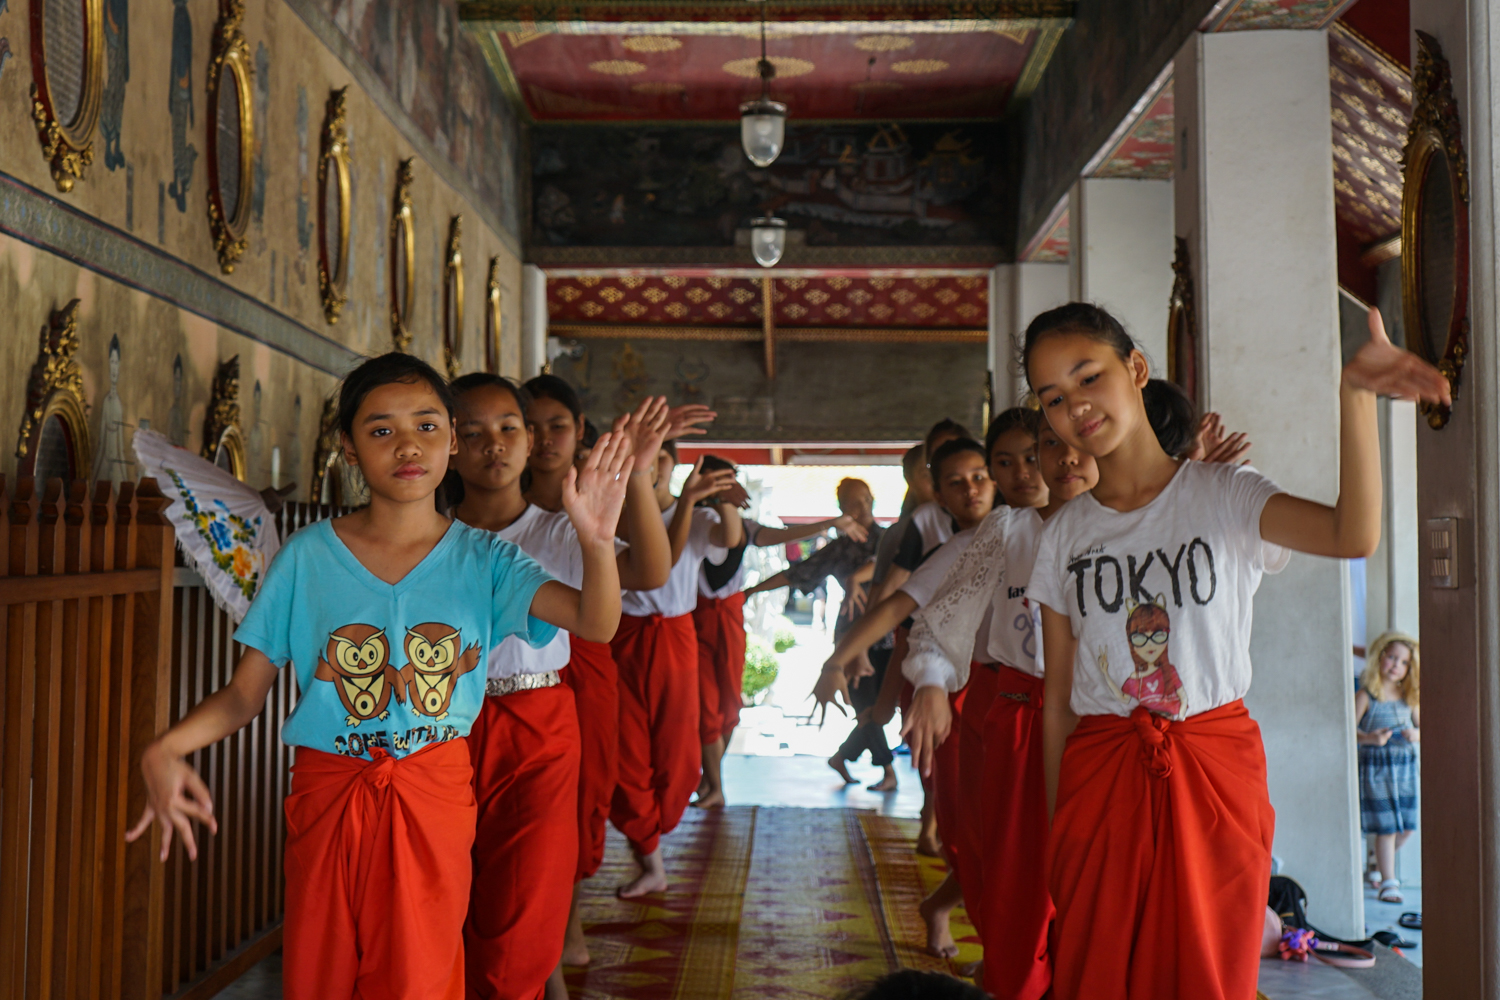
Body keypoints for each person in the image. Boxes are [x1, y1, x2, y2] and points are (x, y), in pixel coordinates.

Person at [127, 353, 628, 1000]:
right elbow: (244, 694)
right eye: (381, 430)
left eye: (425, 426)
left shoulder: (487, 560)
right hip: (328, 792)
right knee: (322, 974)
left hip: (434, 792)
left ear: (451, 437)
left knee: (418, 975)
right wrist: (168, 747)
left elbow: (596, 624)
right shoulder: (308, 557)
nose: (408, 446)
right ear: (349, 449)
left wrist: (595, 540)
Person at [1022, 302, 1446, 1000]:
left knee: (1208, 973)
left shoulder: (1224, 495)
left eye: (1088, 376)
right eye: (1053, 398)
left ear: (1135, 368)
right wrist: (1056, 836)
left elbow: (1351, 534)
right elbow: (1059, 705)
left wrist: (1356, 395)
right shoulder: (1064, 537)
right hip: (1100, 782)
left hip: (1213, 773)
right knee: (1095, 975)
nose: (1075, 406)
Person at [446, 376, 675, 1000]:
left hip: (538, 725)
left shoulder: (558, 530)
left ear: (528, 444)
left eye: (508, 429)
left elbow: (652, 571)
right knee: (448, 895)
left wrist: (640, 479)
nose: (494, 445)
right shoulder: (427, 537)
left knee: (522, 898)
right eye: (472, 433)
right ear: (447, 448)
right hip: (441, 729)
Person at [518, 376, 715, 971]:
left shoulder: (595, 494)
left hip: (585, 657)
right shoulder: (492, 503)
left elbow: (653, 567)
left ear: (581, 431)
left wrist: (639, 467)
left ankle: (565, 913)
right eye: (529, 426)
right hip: (502, 670)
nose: (543, 439)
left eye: (559, 425)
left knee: (585, 788)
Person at [815, 437, 997, 960]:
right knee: (972, 826)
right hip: (961, 692)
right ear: (935, 492)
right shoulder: (941, 541)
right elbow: (899, 609)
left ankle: (968, 924)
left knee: (1017, 836)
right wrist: (842, 660)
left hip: (1041, 704)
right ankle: (977, 933)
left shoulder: (1040, 531)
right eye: (957, 482)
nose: (973, 489)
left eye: (984, 474)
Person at [693, 452, 871, 810]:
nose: (738, 486)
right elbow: (730, 539)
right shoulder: (698, 519)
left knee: (728, 705)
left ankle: (709, 779)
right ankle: (712, 783)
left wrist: (830, 523)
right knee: (709, 706)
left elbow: (781, 536)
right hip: (697, 620)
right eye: (729, 480)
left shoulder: (744, 525)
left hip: (727, 618)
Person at [611, 440, 744, 898]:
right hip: (621, 637)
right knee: (625, 753)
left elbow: (730, 540)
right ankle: (649, 856)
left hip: (676, 636)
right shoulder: (611, 511)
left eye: (660, 458)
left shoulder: (701, 517)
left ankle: (660, 823)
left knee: (679, 750)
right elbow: (654, 565)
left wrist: (723, 499)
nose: (651, 466)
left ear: (672, 464)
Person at [1356, 630, 1421, 905]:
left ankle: (1378, 862)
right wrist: (1371, 738)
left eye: (1403, 662)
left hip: (1404, 768)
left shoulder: (1409, 697)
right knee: (1386, 827)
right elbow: (1347, 729)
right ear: (1380, 658)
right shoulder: (1367, 694)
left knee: (1406, 827)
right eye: (1392, 658)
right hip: (1378, 768)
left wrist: (1415, 735)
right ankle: (1388, 882)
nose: (1396, 665)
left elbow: (1423, 727)